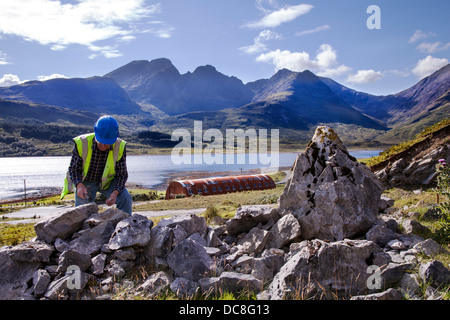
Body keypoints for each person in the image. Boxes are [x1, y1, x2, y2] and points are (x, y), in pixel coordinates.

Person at [60, 115, 132, 214]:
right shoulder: (82, 143)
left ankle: (128, 227)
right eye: (101, 141)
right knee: (82, 212)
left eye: (107, 143)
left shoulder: (120, 146)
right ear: (95, 132)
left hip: (108, 183)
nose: (104, 146)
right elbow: (73, 169)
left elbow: (122, 174)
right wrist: (79, 185)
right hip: (85, 183)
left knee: (125, 199)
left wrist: (115, 192)